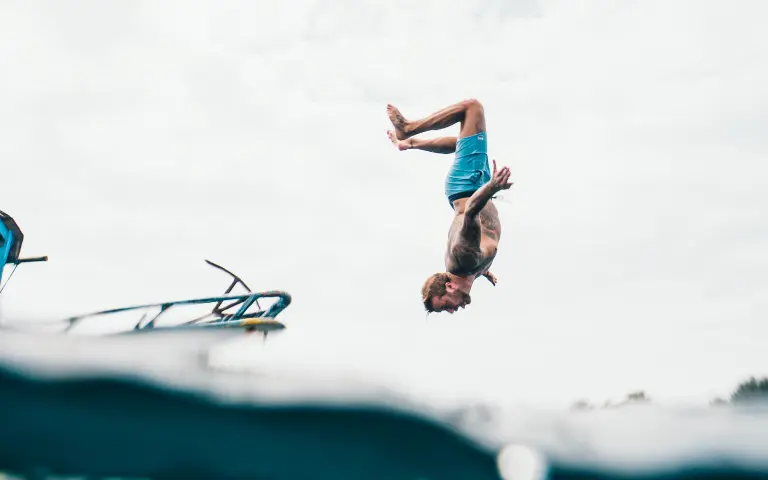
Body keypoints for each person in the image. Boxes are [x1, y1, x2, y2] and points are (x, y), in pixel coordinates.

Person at [386, 98, 512, 313]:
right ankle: (409, 144)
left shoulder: (465, 259)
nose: (453, 310)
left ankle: (408, 130)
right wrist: (484, 271)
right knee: (462, 143)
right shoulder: (467, 268)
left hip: (470, 184)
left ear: (450, 286)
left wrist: (492, 187)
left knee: (472, 108)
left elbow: (471, 212)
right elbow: (475, 247)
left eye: (445, 305)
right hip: (469, 186)